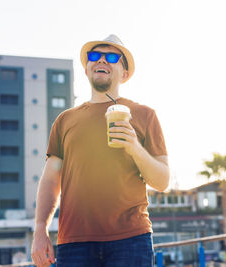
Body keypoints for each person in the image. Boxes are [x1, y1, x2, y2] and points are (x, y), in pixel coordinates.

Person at [31, 34, 170, 267]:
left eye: (112, 56)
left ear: (124, 74)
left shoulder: (145, 115)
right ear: (86, 70)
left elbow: (162, 181)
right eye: (95, 56)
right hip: (74, 242)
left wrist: (135, 147)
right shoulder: (64, 120)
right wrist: (39, 229)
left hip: (131, 240)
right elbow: (50, 180)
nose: (102, 60)